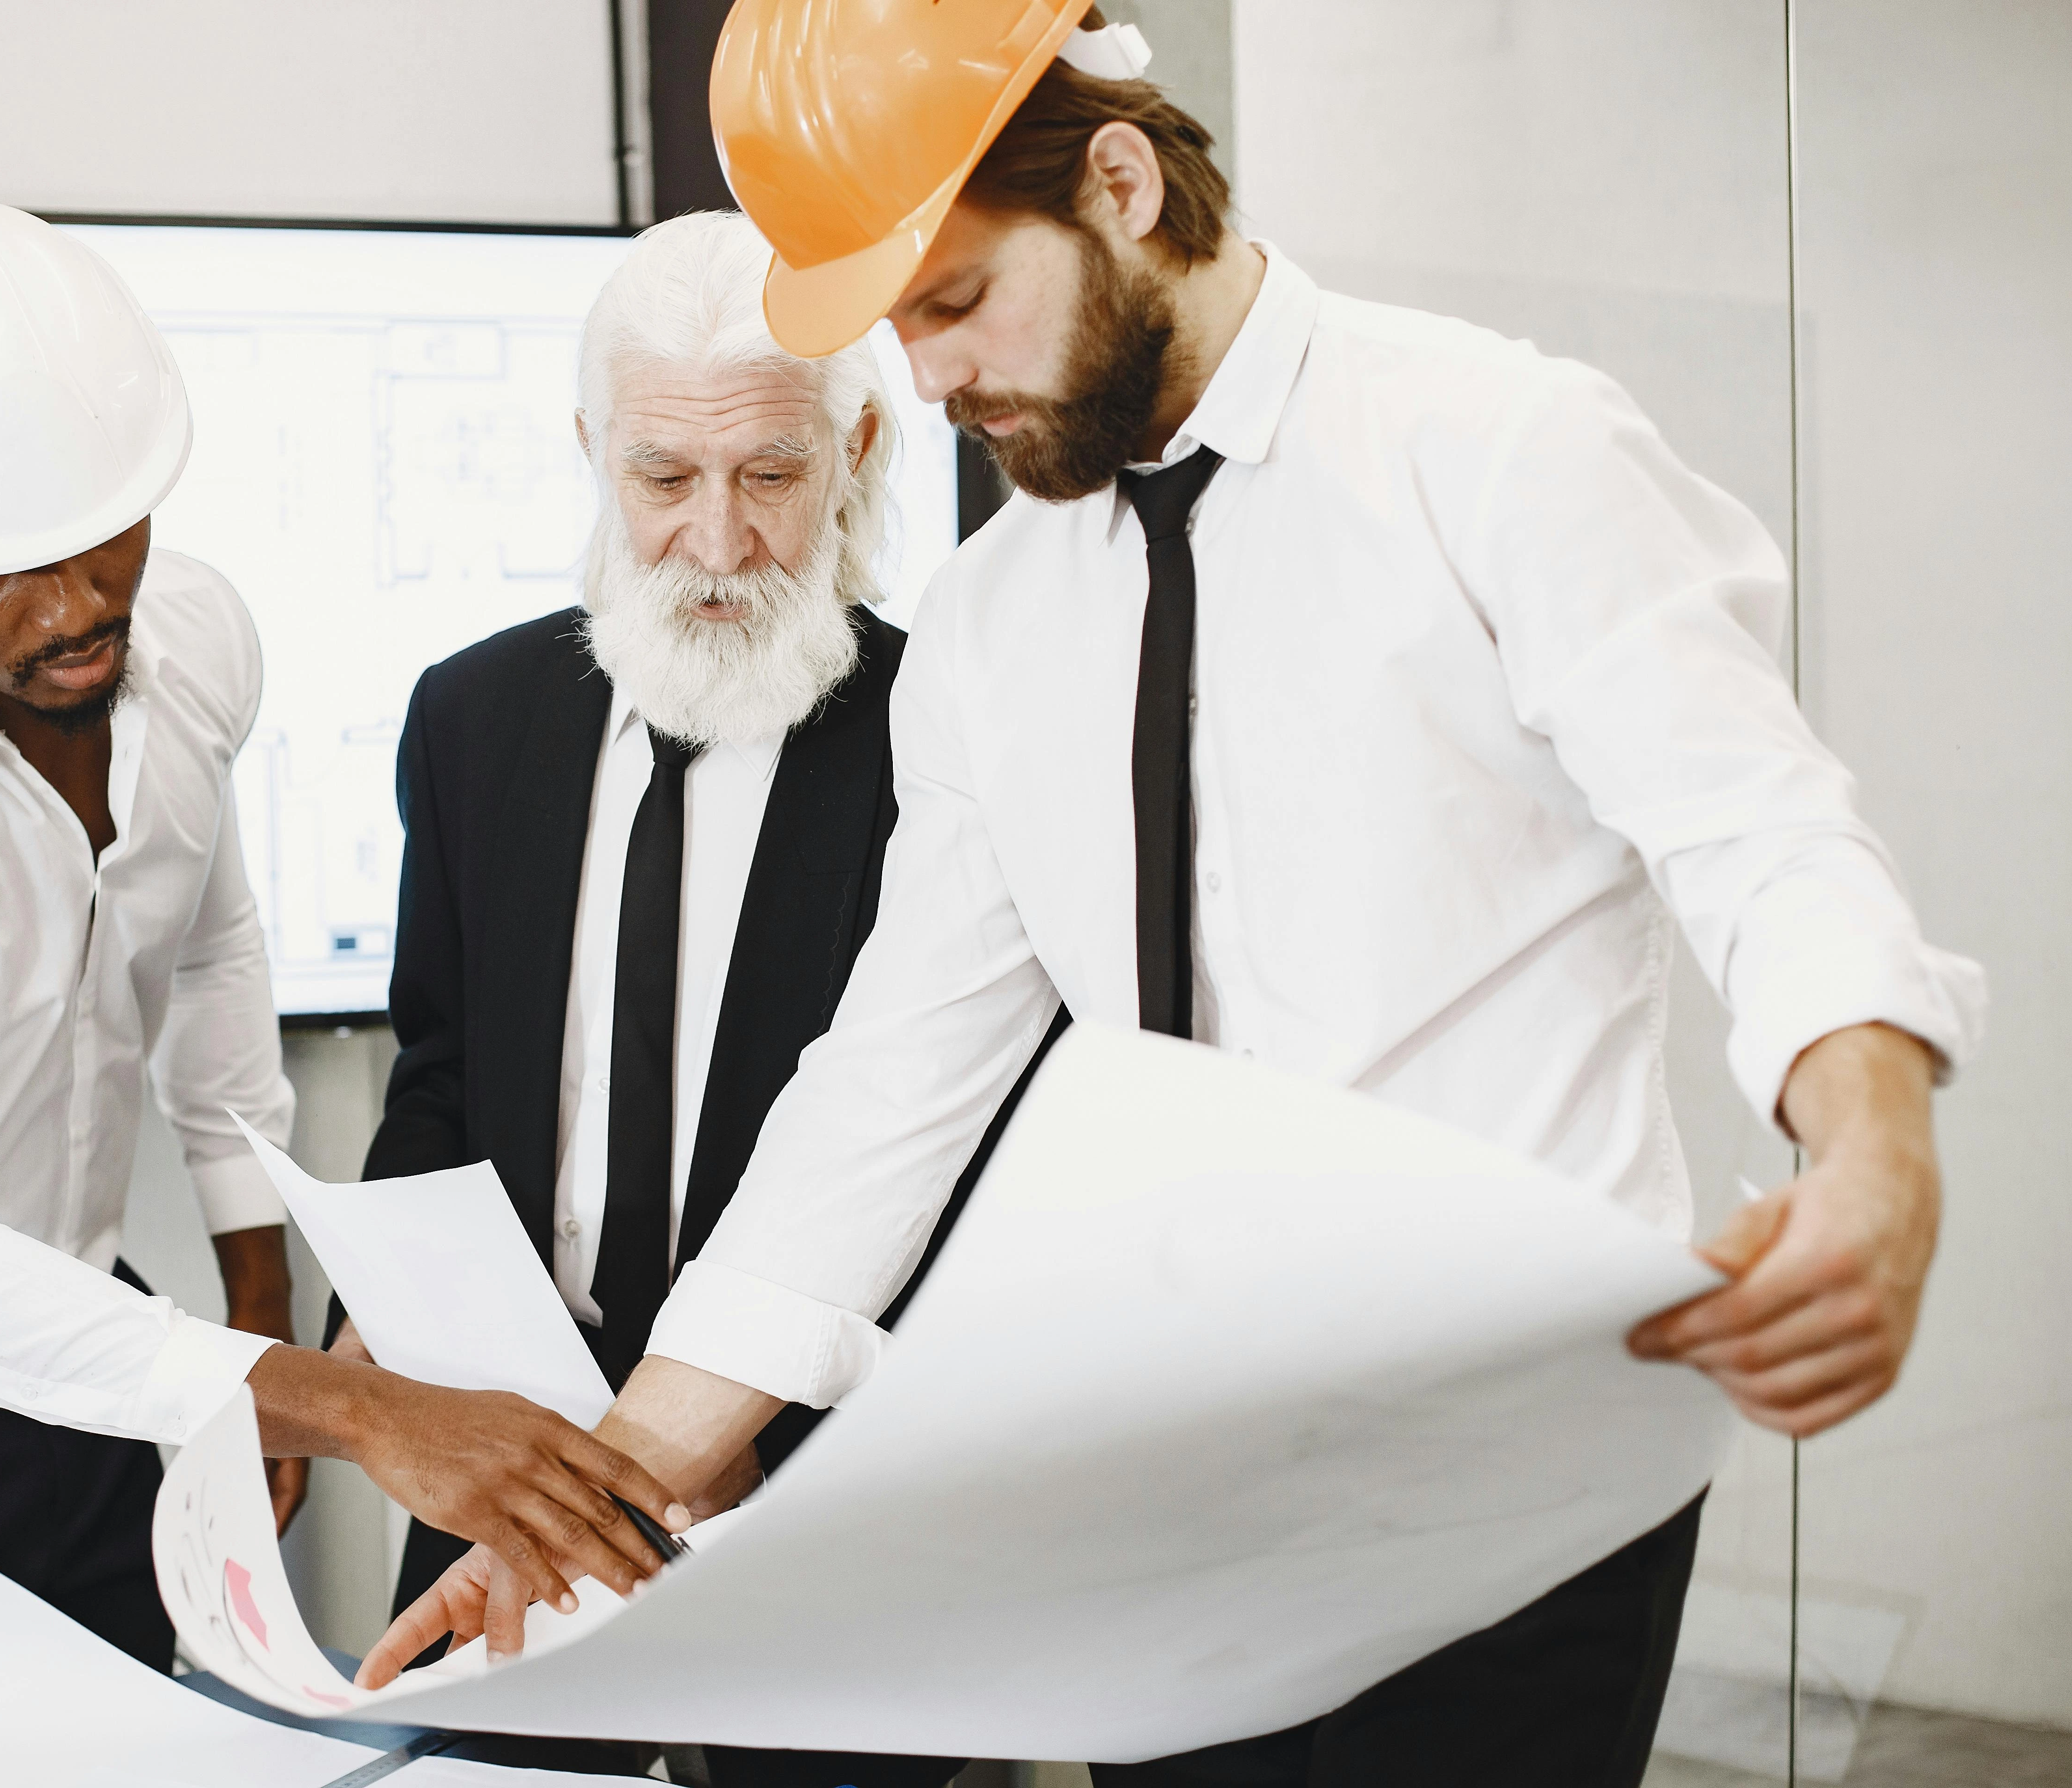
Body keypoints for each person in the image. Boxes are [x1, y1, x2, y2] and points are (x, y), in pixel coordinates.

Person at [372, 6, 1988, 1782]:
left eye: (955, 300)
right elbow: (895, 1081)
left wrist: (1875, 1146)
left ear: (1123, 185)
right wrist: (607, 1491)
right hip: (1185, 1502)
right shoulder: (995, 625)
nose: (925, 383)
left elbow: (1758, 831)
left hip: (1509, 1473)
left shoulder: (1494, 448)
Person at [0, 197, 683, 1673]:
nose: (81, 605)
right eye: (4, 568)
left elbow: (204, 934)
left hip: (87, 1308)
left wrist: (252, 1284)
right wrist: (353, 1407)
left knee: (138, 1720)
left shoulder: (195, 636)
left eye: (105, 537)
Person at [340, 211, 992, 1788]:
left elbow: (971, 1157)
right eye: (663, 477)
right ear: (591, 450)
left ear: (858, 446)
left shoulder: (951, 735)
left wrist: (749, 1416)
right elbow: (439, 1078)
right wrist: (383, 1323)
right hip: (513, 1457)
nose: (714, 541)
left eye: (770, 476)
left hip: (829, 1493)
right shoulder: (473, 719)